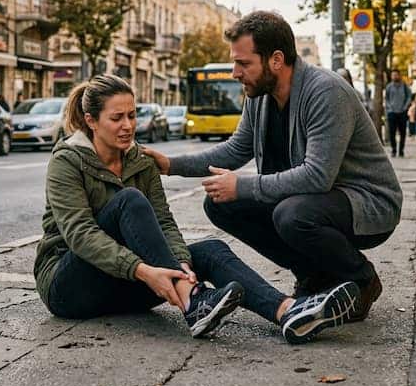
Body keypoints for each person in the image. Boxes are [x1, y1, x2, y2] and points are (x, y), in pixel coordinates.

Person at [35, 74, 354, 344]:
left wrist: (181, 263)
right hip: (69, 287)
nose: (128, 125)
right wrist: (144, 270)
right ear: (91, 121)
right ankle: (192, 299)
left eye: (132, 116)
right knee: (129, 201)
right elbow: (80, 235)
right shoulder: (68, 160)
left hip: (128, 283)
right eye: (116, 118)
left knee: (210, 250)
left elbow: (163, 221)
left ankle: (288, 312)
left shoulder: (140, 161)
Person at [144, 11, 402, 341]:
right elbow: (235, 150)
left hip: (368, 204)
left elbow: (317, 177)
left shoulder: (325, 92)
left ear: (276, 59)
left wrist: (244, 185)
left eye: (244, 63)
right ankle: (314, 275)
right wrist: (170, 164)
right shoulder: (260, 95)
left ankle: (362, 279)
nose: (236, 73)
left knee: (290, 214)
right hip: (312, 203)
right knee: (220, 204)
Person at [384, 70, 412, 157]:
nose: (394, 77)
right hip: (392, 113)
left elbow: (409, 97)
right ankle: (394, 150)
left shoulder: (404, 86)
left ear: (399, 75)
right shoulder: (389, 87)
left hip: (402, 113)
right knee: (392, 133)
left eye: (396, 75)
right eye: (393, 75)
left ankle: (401, 150)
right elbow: (386, 99)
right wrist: (389, 108)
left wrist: (405, 107)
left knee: (402, 133)